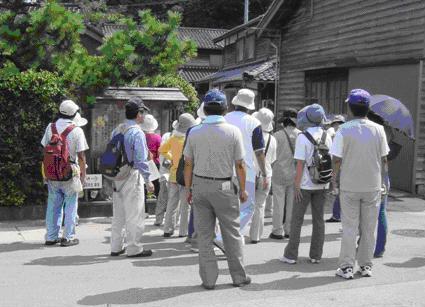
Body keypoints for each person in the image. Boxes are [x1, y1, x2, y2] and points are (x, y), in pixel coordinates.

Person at [183, 89, 251, 289]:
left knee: (204, 236)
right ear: (224, 109)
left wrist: (188, 189)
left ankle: (209, 280)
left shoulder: (194, 131)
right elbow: (240, 164)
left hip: (200, 184)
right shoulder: (233, 131)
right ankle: (238, 277)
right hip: (224, 186)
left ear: (204, 108)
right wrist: (244, 189)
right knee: (232, 233)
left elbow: (188, 163)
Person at [331, 89, 389, 279]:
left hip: (349, 185)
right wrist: (384, 181)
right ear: (368, 107)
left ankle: (346, 267)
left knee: (349, 227)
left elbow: (337, 159)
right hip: (372, 185)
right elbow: (384, 159)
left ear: (350, 107)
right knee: (368, 228)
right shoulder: (378, 129)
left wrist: (334, 180)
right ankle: (365, 266)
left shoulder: (343, 129)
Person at [280, 103, 332, 264]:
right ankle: (316, 255)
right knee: (319, 220)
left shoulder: (303, 137)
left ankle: (291, 255)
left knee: (297, 220)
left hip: (305, 185)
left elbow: (300, 164)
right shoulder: (327, 135)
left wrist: (296, 185)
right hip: (322, 183)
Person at [110, 97, 154, 258]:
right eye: (142, 112)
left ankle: (115, 246)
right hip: (132, 175)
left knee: (118, 214)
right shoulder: (137, 132)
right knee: (134, 214)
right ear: (138, 113)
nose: (143, 116)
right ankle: (134, 248)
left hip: (117, 175)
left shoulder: (118, 129)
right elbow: (140, 160)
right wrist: (148, 180)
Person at [41, 99, 89, 247]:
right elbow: (81, 157)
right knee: (70, 205)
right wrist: (83, 176)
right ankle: (68, 237)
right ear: (74, 114)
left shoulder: (51, 127)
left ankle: (51, 236)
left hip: (52, 173)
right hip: (70, 173)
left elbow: (44, 149)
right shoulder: (77, 130)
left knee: (53, 205)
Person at [224, 89, 268, 239]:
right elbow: (259, 152)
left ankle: (224, 236)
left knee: (227, 208)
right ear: (250, 106)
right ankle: (228, 237)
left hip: (225, 171)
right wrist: (264, 173)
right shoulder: (254, 123)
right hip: (247, 171)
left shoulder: (225, 118)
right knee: (247, 208)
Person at [160, 113, 196, 238]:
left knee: (171, 203)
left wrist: (173, 159)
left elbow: (162, 150)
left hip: (173, 174)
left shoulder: (173, 137)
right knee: (185, 205)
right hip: (186, 176)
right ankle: (183, 231)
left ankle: (167, 229)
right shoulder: (190, 139)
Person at [270, 108, 300, 240]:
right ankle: (289, 230)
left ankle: (277, 230)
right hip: (295, 173)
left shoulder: (277, 135)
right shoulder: (301, 135)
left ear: (285, 121)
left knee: (278, 202)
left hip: (278, 172)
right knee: (291, 203)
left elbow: (272, 156)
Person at [249, 108, 277, 243]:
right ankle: (256, 236)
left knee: (245, 204)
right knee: (260, 206)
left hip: (250, 173)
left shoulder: (251, 135)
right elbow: (271, 160)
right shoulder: (273, 139)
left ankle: (241, 233)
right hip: (266, 175)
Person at [154, 120, 177, 226]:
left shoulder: (166, 136)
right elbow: (164, 159)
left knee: (163, 197)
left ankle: (159, 219)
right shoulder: (174, 138)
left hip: (165, 173)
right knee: (172, 198)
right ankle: (171, 221)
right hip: (171, 173)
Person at [326, 114, 346, 223]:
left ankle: (337, 215)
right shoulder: (338, 134)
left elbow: (336, 157)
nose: (335, 126)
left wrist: (334, 175)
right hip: (343, 167)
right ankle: (337, 214)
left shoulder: (339, 135)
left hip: (341, 168)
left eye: (336, 124)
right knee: (342, 192)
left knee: (342, 192)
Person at [140, 114, 161, 199]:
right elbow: (160, 152)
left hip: (143, 163)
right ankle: (158, 206)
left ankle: (144, 208)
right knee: (157, 185)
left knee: (143, 185)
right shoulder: (158, 137)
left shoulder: (141, 136)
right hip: (155, 163)